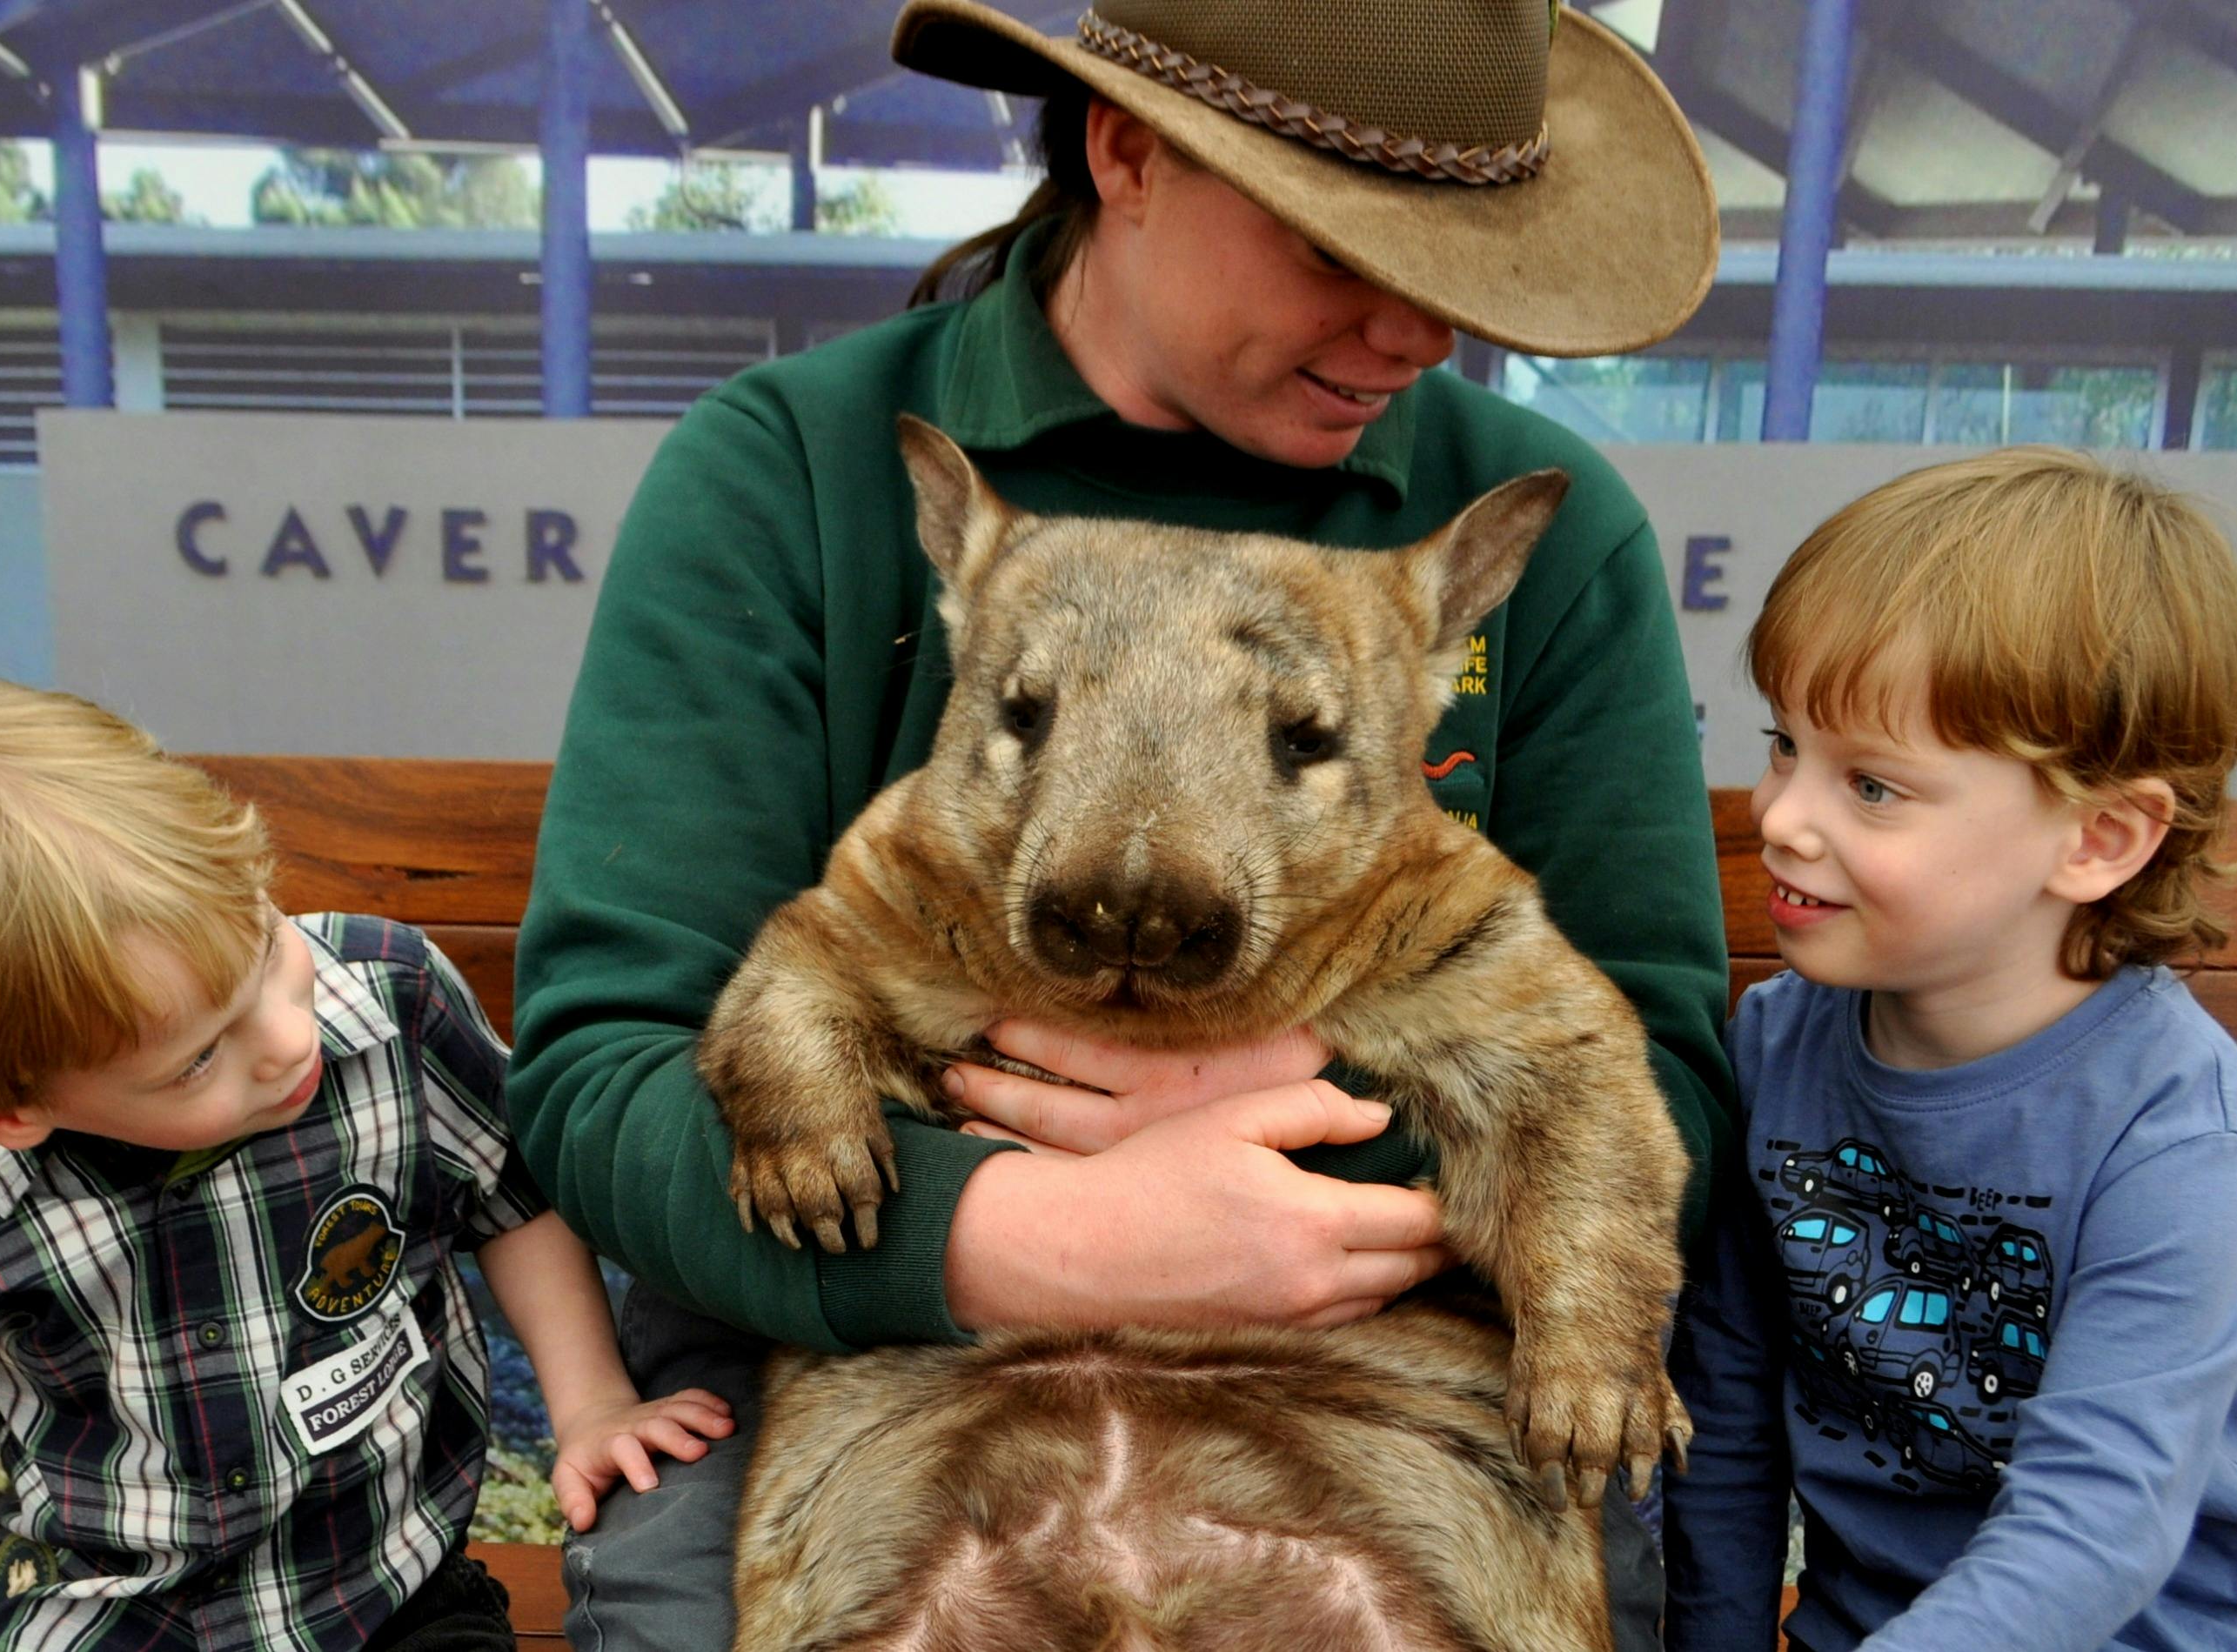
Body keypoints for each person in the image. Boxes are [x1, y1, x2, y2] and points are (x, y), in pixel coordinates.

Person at [509, 3, 1737, 1647]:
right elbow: (605, 1074)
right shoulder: (790, 468)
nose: (1412, 334)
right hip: (885, 1353)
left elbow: (1653, 1080)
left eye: (1457, 268)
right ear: (1130, 152)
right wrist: (1016, 1233)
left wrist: (1284, 1134)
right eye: (1339, 250)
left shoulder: (1534, 531)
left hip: (1384, 1371)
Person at [0, 664, 736, 1652]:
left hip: (384, 1589)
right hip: (114, 1609)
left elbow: (511, 1194)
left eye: (267, 946)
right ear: (0, 1115)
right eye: (199, 1060)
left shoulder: (391, 1001)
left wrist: (590, 1405)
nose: (290, 1040)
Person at [1662, 450, 2237, 1651]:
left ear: (2100, 837)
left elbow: (2095, 1527)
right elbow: (1724, 1409)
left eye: (1872, 786)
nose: (1780, 816)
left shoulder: (2179, 1135)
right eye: (1783, 743)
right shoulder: (1774, 1043)